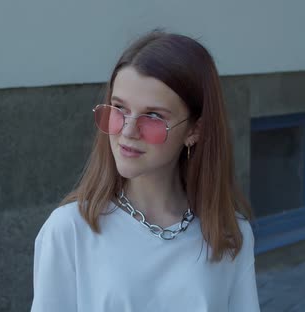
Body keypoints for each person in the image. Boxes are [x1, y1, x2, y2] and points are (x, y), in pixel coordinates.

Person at [31, 30, 260, 312]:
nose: (128, 131)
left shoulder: (230, 233)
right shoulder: (70, 230)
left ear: (194, 130)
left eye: (153, 116)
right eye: (119, 108)